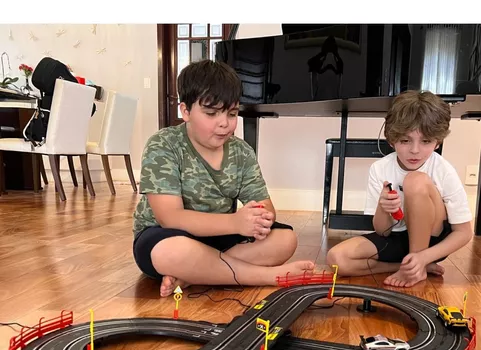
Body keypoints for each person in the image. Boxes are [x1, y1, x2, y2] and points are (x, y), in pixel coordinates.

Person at [133, 59, 314, 297]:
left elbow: (266, 208)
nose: (224, 123)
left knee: (285, 239)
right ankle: (268, 277)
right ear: (185, 111)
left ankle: (195, 274)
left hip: (219, 237)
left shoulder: (241, 151)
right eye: (211, 113)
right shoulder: (163, 144)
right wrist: (236, 223)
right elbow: (170, 218)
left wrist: (258, 218)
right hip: (168, 234)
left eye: (232, 113)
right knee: (171, 252)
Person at [327, 90, 473, 288]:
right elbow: (381, 231)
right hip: (396, 238)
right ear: (391, 139)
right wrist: (383, 207)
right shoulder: (380, 169)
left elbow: (463, 232)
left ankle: (417, 261)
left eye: (426, 141)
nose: (414, 150)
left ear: (437, 141)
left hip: (432, 240)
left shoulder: (443, 170)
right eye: (405, 141)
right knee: (337, 258)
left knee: (416, 181)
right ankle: (411, 266)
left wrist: (424, 256)